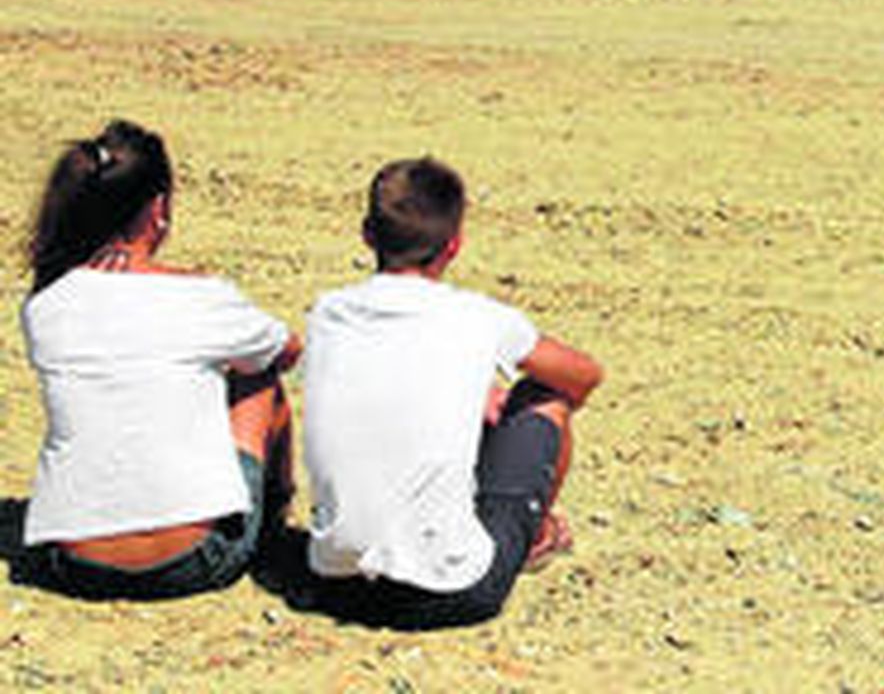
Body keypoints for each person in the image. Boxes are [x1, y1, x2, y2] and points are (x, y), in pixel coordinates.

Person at [302, 157, 602, 629]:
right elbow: (583, 375)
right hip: (454, 590)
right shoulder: (477, 318)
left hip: (335, 582)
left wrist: (470, 390)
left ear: (367, 235)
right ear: (454, 245)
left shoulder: (327, 312)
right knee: (546, 395)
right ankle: (536, 533)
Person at [14, 119, 299, 600]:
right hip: (194, 559)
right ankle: (274, 530)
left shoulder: (45, 306)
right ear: (158, 209)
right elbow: (286, 350)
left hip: (73, 563)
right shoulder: (202, 297)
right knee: (258, 376)